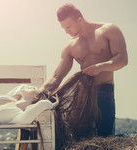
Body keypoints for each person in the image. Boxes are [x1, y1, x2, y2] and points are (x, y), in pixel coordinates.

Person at [39, 3, 128, 137]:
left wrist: (100, 67)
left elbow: (122, 59)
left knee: (105, 137)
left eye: (68, 26)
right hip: (82, 95)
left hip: (104, 91)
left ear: (79, 19)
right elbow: (57, 76)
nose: (66, 31)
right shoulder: (71, 46)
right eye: (64, 28)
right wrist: (39, 93)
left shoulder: (109, 30)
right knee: (79, 137)